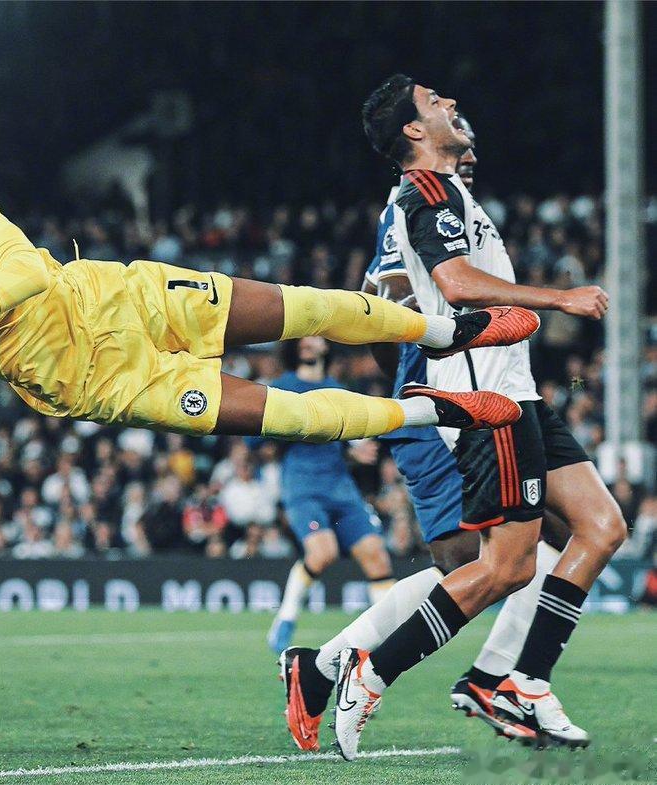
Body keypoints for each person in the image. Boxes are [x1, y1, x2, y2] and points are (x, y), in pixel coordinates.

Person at [0, 143, 536, 452]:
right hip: (91, 380)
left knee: (304, 306)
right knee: (290, 417)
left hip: (119, 296)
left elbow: (27, 268)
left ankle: (446, 334)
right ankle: (437, 410)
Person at [323, 76, 625, 759]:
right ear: (413, 130)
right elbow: (456, 284)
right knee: (508, 567)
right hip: (485, 398)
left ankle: (523, 680)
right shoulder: (426, 191)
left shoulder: (450, 192)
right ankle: (371, 671)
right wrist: (560, 298)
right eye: (435, 102)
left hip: (518, 390)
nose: (452, 103)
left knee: (602, 526)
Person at [279, 113, 574, 753]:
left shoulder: (436, 210)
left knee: (510, 553)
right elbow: (385, 303)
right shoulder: (415, 208)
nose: (470, 155)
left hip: (461, 399)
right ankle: (495, 682)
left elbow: (380, 296)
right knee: (496, 560)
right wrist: (415, 388)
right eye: (460, 143)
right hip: (447, 404)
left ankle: (327, 668)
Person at [253, 337, 395, 656]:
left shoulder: (338, 390)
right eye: (303, 336)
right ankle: (286, 617)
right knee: (323, 552)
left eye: (314, 335)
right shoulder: (282, 387)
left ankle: (389, 637)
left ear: (325, 346)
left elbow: (345, 440)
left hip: (341, 486)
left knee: (376, 555)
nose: (308, 341)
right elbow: (256, 438)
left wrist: (355, 452)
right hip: (303, 486)